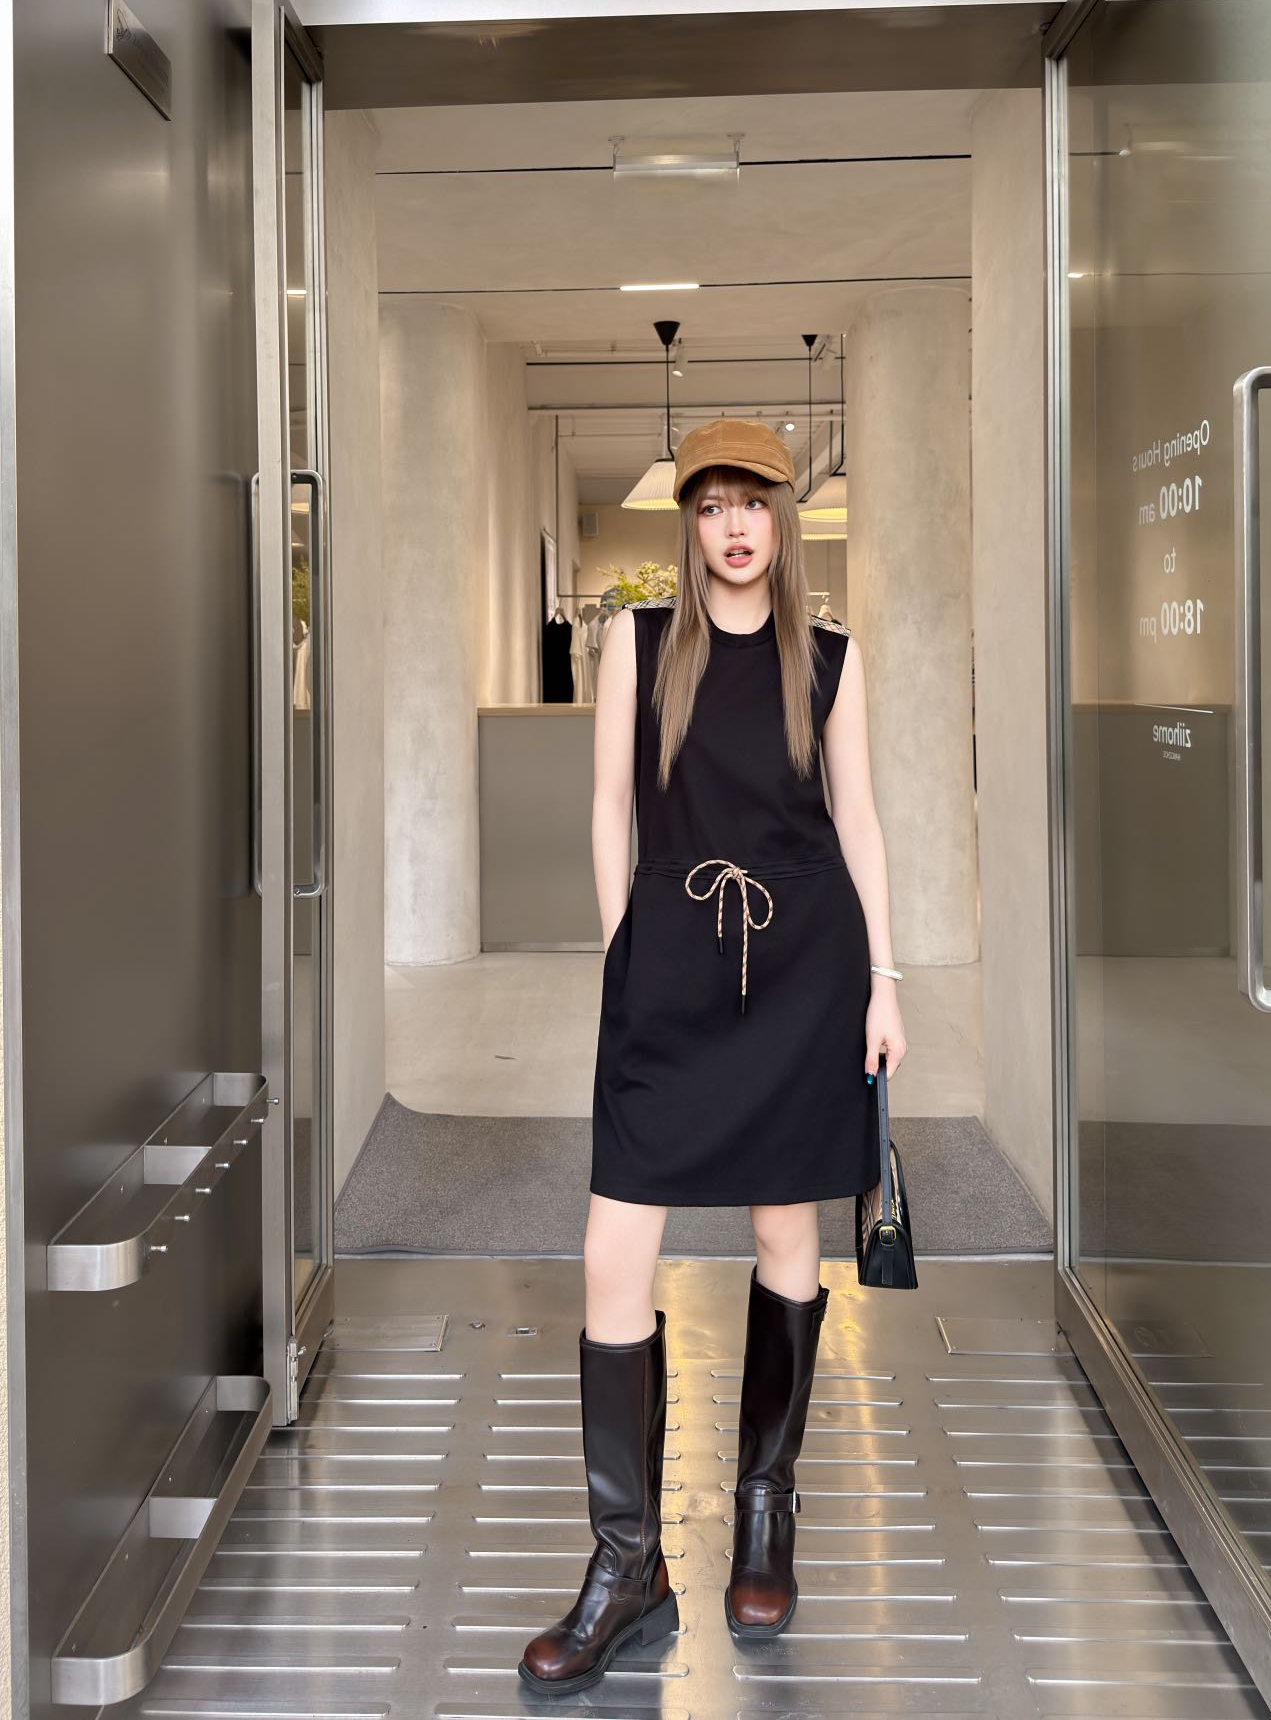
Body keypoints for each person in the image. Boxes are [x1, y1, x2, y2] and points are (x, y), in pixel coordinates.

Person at [517, 416, 908, 1696]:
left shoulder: (830, 658)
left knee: (786, 1231)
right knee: (611, 1248)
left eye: (753, 503)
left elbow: (859, 817)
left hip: (803, 974)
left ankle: (764, 1515)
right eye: (711, 505)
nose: (734, 527)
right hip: (671, 969)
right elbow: (607, 806)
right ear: (688, 523)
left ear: (783, 519)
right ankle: (627, 1563)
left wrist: (885, 982)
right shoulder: (637, 643)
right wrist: (624, 946)